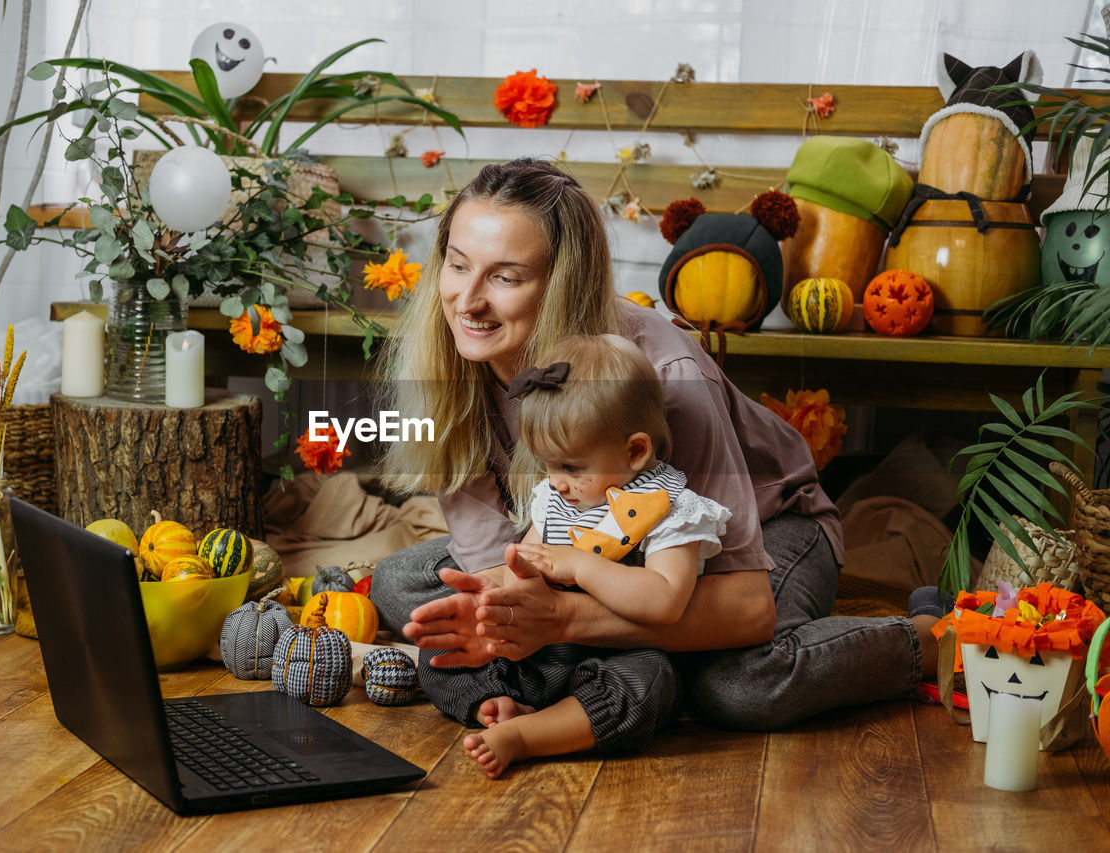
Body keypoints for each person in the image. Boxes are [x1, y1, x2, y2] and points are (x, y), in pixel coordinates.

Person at [373, 157, 941, 732]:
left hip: (754, 535)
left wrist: (563, 619)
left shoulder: (668, 376)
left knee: (739, 688)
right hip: (592, 543)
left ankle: (925, 640)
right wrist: (502, 605)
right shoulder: (447, 362)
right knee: (403, 585)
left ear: (563, 283)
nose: (466, 301)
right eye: (457, 265)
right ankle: (642, 671)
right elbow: (501, 562)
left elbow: (748, 608)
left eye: (506, 278)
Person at [421, 333, 730, 777]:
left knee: (650, 683)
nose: (556, 482)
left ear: (635, 450)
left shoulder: (671, 509)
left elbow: (665, 602)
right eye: (547, 465)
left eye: (570, 467)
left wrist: (581, 565)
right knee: (441, 643)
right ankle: (496, 704)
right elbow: (522, 570)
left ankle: (529, 735)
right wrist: (493, 604)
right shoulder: (555, 498)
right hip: (544, 652)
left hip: (618, 656)